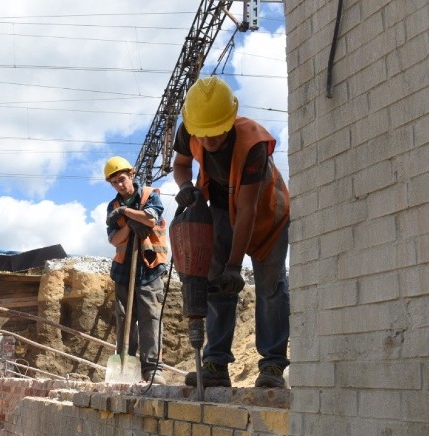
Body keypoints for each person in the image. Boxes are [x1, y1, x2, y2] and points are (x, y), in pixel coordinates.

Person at [172, 76, 290, 388]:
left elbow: (248, 210)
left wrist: (235, 266)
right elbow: (181, 165)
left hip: (265, 211)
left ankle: (273, 366)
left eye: (216, 133)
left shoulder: (253, 143)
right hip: (222, 206)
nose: (208, 140)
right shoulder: (190, 127)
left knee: (270, 288)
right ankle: (215, 364)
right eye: (203, 134)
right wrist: (185, 187)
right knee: (215, 283)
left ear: (230, 119)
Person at [103, 156, 170, 384]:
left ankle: (152, 369)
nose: (120, 185)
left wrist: (126, 212)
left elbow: (151, 218)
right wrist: (131, 226)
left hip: (149, 268)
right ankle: (126, 364)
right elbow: (114, 239)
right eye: (115, 182)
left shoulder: (148, 195)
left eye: (122, 179)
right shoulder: (112, 207)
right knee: (125, 320)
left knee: (151, 317)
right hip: (123, 270)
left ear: (131, 175)